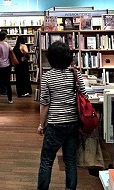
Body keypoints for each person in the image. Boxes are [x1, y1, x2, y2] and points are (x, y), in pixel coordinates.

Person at [37, 41, 87, 190]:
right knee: (70, 160)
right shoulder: (75, 74)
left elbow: (45, 103)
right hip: (73, 123)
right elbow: (83, 95)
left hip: (55, 124)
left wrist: (42, 124)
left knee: (47, 160)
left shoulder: (47, 77)